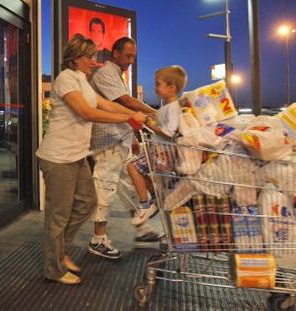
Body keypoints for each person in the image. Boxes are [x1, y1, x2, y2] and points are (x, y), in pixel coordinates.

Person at [36, 34, 146, 285]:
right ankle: (53, 267)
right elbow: (87, 112)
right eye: (90, 56)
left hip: (76, 156)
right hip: (58, 157)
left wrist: (134, 113)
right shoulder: (65, 79)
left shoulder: (82, 81)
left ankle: (60, 251)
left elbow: (105, 104)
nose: (94, 61)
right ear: (76, 57)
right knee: (58, 214)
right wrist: (129, 119)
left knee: (87, 202)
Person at [88, 37, 162, 260]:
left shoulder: (116, 75)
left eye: (133, 56)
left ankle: (141, 227)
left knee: (128, 186)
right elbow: (126, 102)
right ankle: (98, 239)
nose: (131, 60)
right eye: (128, 55)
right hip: (106, 140)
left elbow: (121, 107)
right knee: (105, 186)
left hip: (119, 137)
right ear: (115, 53)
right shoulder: (104, 74)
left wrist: (132, 136)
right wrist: (157, 115)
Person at [128, 66, 188, 225]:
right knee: (143, 174)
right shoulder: (166, 107)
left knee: (133, 167)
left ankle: (145, 204)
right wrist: (150, 119)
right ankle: (155, 199)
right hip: (158, 150)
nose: (155, 87)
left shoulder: (173, 108)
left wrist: (148, 122)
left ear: (171, 88)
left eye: (157, 84)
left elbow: (168, 132)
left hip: (163, 152)